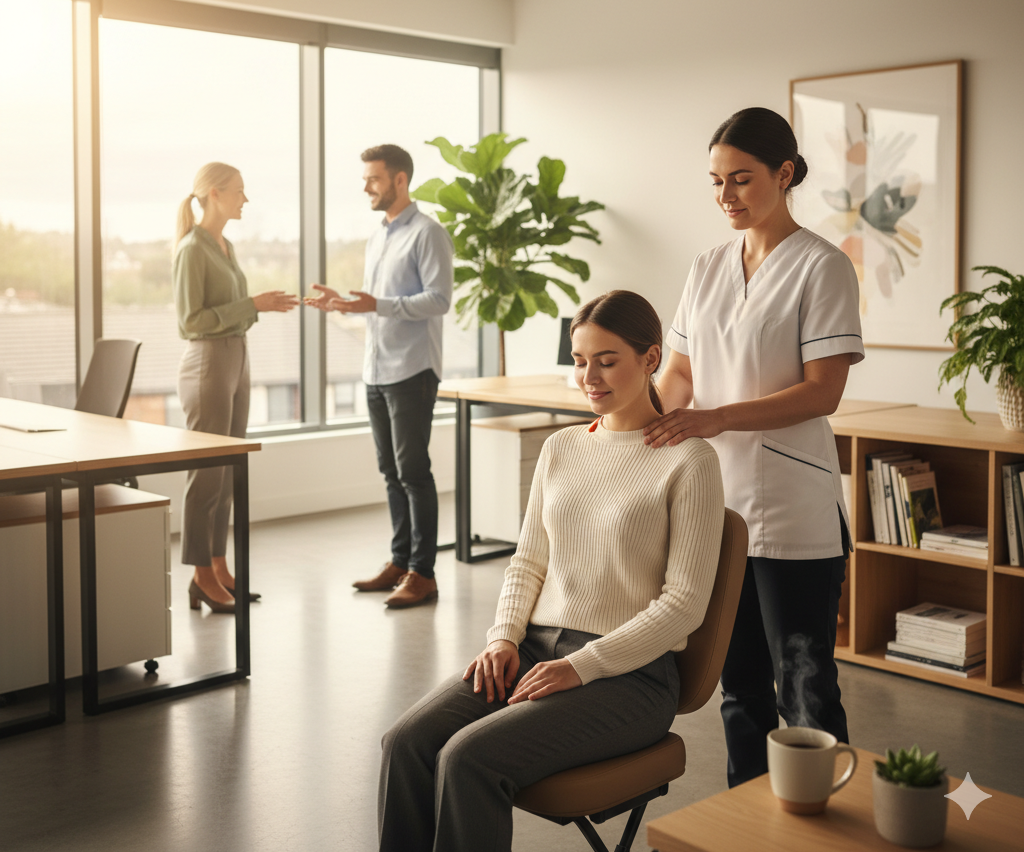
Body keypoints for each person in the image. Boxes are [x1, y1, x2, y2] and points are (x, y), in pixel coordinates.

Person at [377, 290, 725, 852]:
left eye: (607, 361)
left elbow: (683, 604)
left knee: (468, 759)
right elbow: (529, 559)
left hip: (630, 678)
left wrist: (582, 666)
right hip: (536, 651)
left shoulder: (689, 461)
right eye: (580, 360)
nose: (590, 376)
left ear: (651, 359)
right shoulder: (562, 448)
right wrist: (502, 639)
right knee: (406, 742)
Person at [644, 107, 864, 788]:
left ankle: (824, 826)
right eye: (716, 182)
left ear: (785, 173)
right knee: (737, 687)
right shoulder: (707, 266)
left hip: (794, 511)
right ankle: (748, 820)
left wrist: (718, 419)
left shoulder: (822, 267)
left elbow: (822, 392)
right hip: (718, 508)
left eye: (741, 179)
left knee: (805, 686)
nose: (726, 197)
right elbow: (678, 375)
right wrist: (635, 413)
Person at [305, 144, 453, 609]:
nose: (366, 187)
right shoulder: (380, 236)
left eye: (373, 178)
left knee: (413, 472)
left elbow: (439, 299)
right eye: (366, 179)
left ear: (400, 180)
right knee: (391, 471)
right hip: (376, 368)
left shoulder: (428, 234)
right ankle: (399, 560)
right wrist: (348, 305)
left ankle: (422, 574)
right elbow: (379, 303)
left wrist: (377, 305)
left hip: (412, 370)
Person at [173, 162, 298, 612]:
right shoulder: (192, 249)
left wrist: (260, 306)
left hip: (235, 356)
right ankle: (200, 575)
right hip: (207, 361)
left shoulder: (225, 245)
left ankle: (219, 566)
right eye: (239, 191)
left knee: (227, 470)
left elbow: (230, 309)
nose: (245, 199)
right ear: (213, 194)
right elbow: (190, 321)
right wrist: (253, 303)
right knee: (206, 474)